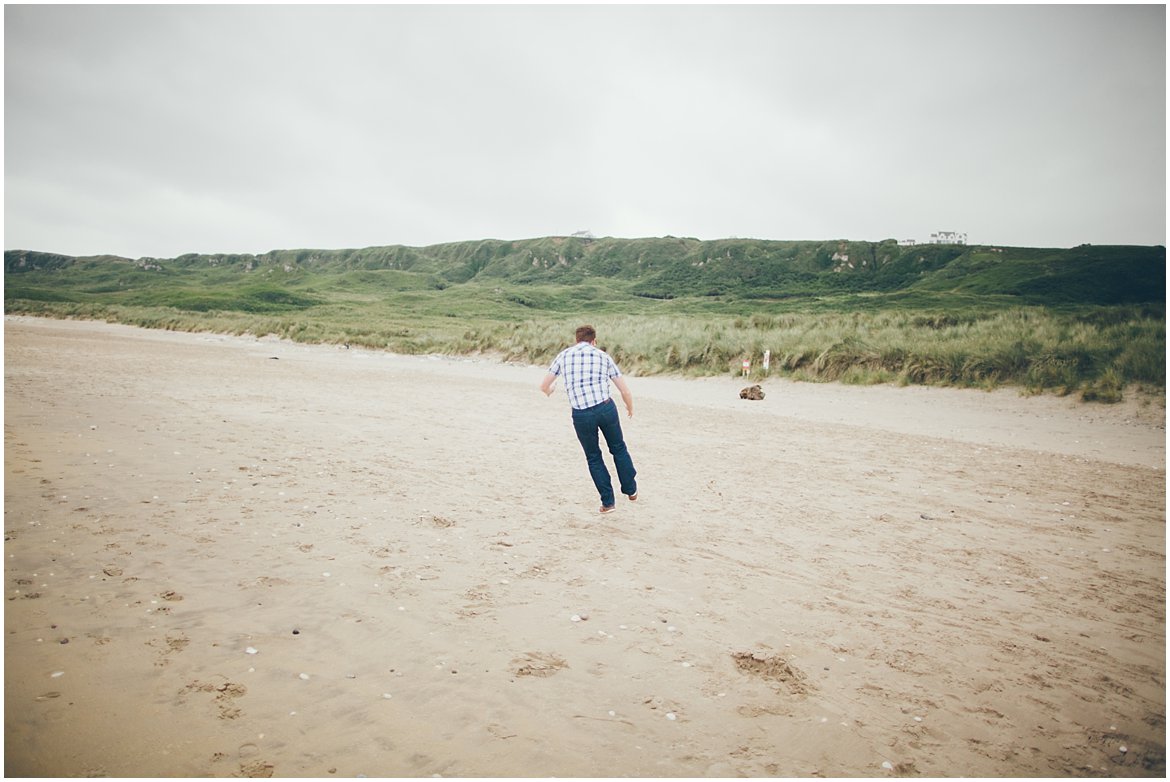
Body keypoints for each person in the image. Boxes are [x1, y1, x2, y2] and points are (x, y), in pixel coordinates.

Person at [540, 325, 638, 514]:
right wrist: (629, 407)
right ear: (594, 341)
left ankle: (608, 502)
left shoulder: (564, 355)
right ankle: (630, 489)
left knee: (593, 457)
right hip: (605, 407)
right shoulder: (602, 356)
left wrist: (550, 391)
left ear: (577, 340)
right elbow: (624, 389)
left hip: (581, 413)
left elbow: (544, 385)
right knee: (618, 448)